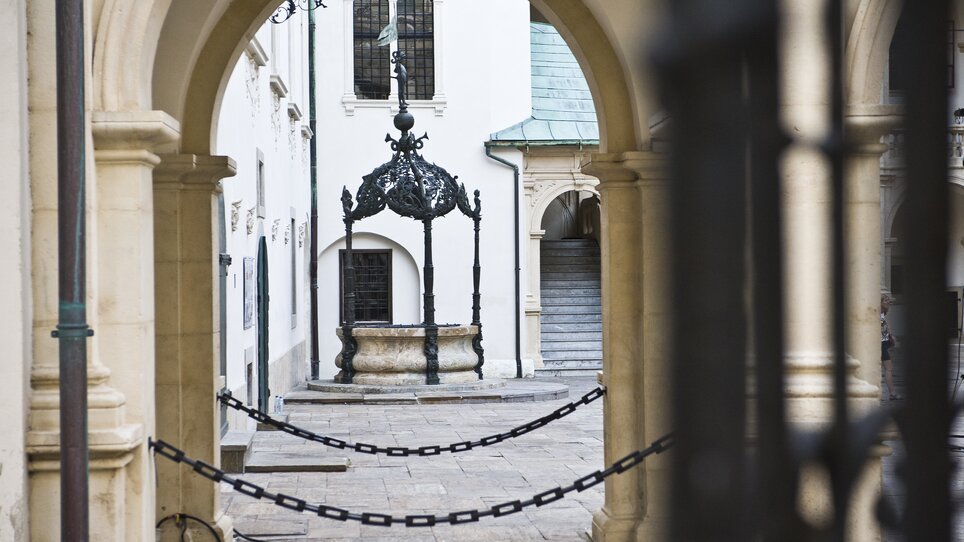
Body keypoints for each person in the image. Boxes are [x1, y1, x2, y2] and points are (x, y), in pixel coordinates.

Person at [881, 294, 901, 400]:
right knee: (889, 368)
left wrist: (891, 335)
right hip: (880, 344)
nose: (888, 302)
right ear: (880, 302)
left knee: (888, 368)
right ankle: (892, 393)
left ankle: (892, 393)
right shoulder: (878, 314)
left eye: (888, 300)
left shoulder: (882, 314)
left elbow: (885, 327)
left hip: (883, 343)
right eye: (885, 300)